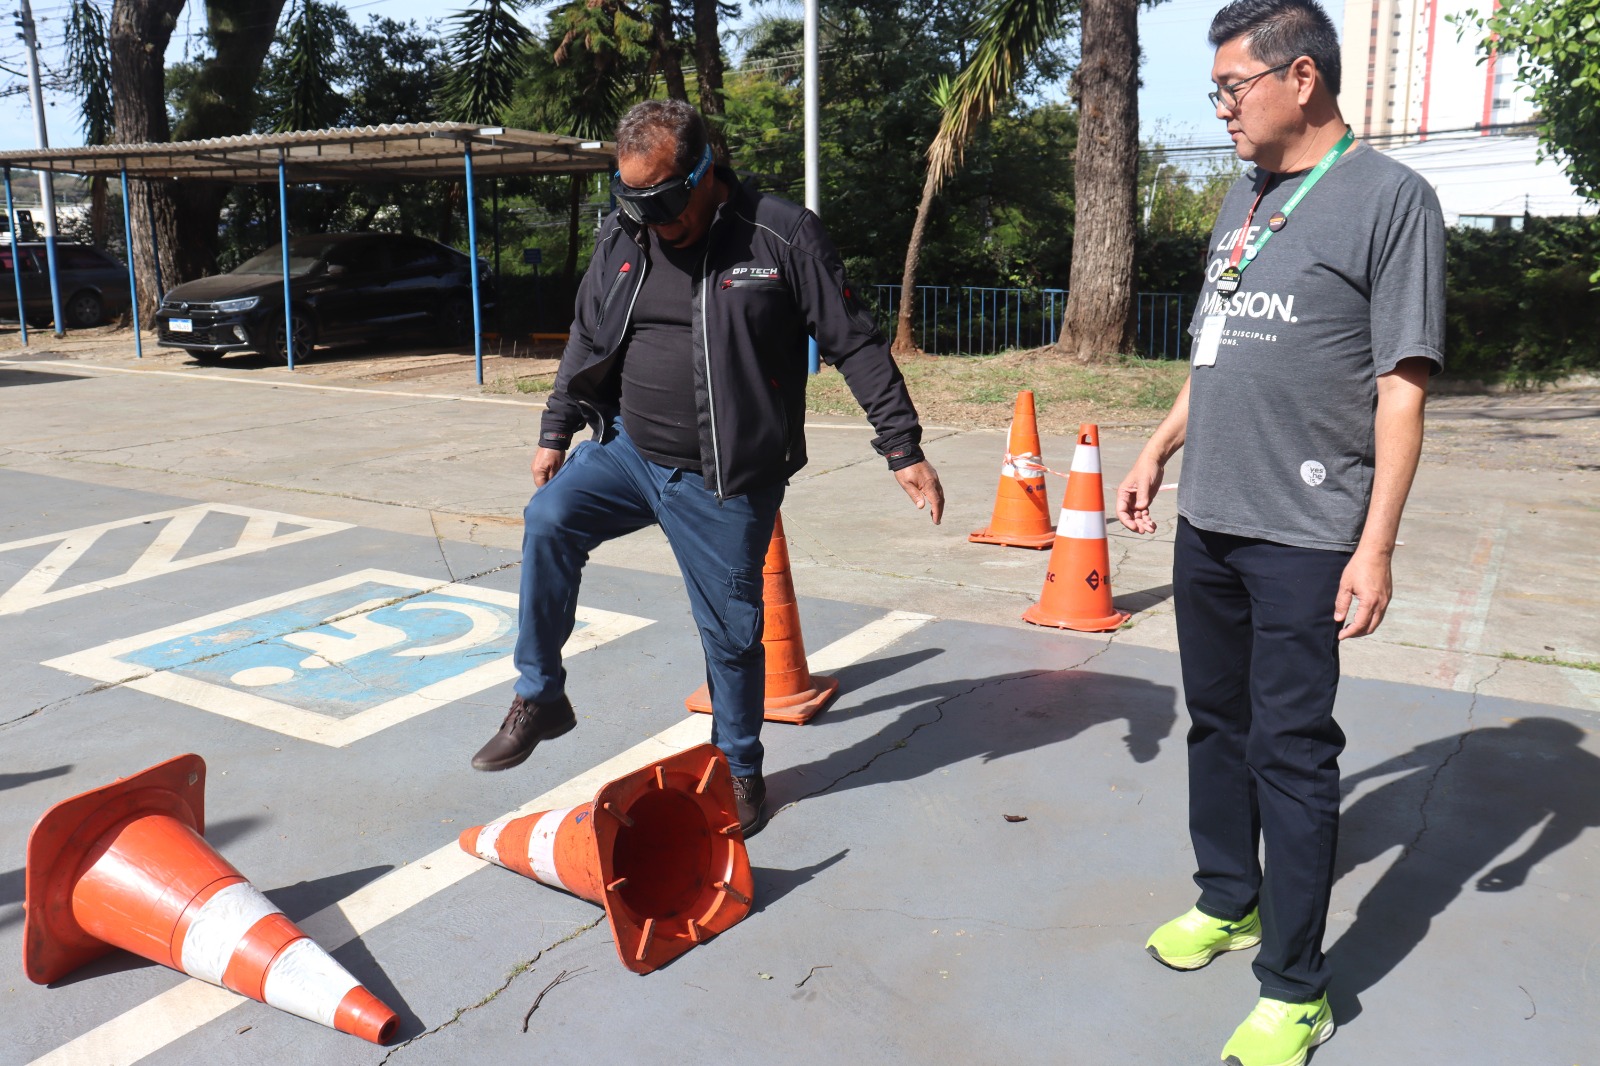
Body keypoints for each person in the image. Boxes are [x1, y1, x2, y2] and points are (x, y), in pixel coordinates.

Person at [1114, 1, 1444, 1063]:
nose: (1218, 109)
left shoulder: (1390, 200)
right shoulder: (1243, 194)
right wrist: (1160, 446)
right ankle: (1228, 896)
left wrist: (1375, 543)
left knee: (1294, 753)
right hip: (1208, 515)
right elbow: (1213, 349)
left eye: (1230, 88)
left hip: (1304, 533)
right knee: (1217, 725)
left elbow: (1401, 389)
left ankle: (1295, 986)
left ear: (1300, 79)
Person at [471, 99, 945, 837]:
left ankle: (740, 765)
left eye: (663, 198)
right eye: (634, 200)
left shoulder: (780, 233)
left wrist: (901, 445)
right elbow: (587, 337)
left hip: (727, 479)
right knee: (548, 520)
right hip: (627, 451)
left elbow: (853, 340)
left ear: (703, 173)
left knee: (729, 634)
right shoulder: (624, 236)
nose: (653, 217)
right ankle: (541, 695)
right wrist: (555, 430)